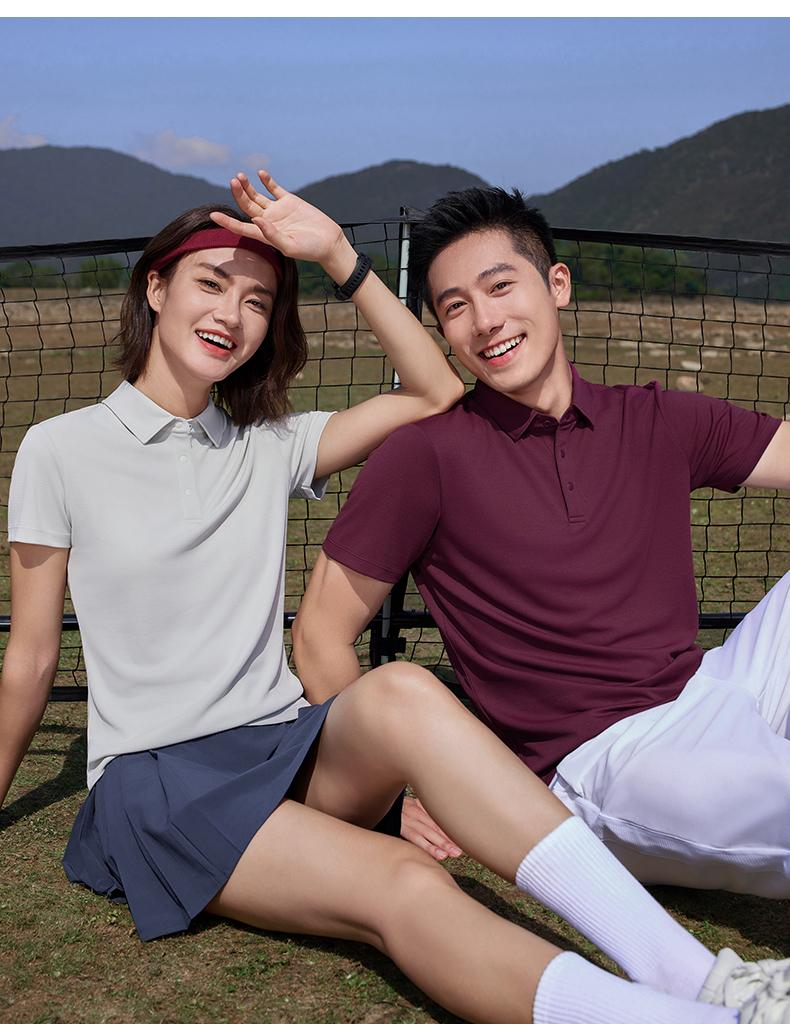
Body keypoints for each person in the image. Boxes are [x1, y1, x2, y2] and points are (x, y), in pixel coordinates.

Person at [2, 172, 788, 1025]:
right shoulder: (58, 448)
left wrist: (339, 255)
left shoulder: (269, 444)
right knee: (407, 882)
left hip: (286, 748)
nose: (233, 313)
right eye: (211, 284)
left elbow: (434, 391)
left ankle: (700, 978)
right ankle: (702, 1020)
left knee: (404, 687)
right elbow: (33, 657)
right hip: (160, 773)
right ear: (156, 288)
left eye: (259, 301)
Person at [295, 185, 790, 902]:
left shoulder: (657, 418)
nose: (485, 321)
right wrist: (388, 795)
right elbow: (318, 634)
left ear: (557, 284)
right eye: (456, 307)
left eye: (501, 286)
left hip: (715, 687)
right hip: (609, 762)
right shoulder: (425, 455)